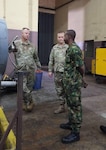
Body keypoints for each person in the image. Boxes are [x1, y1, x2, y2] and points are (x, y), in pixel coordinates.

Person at [60, 30, 84, 144]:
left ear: (68, 37)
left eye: (64, 35)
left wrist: (81, 79)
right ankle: (71, 123)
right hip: (69, 83)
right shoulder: (70, 48)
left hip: (73, 84)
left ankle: (76, 132)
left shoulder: (74, 49)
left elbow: (81, 67)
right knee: (70, 104)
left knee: (75, 106)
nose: (63, 37)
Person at [13, 27, 41, 112]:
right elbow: (9, 50)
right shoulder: (16, 44)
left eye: (28, 33)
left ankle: (26, 103)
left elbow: (36, 57)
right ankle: (31, 101)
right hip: (21, 70)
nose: (27, 35)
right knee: (23, 88)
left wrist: (38, 66)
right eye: (25, 33)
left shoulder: (32, 46)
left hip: (30, 69)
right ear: (22, 34)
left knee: (29, 87)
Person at [48, 31, 68, 114]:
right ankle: (61, 106)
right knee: (59, 89)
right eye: (59, 37)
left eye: (62, 37)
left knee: (67, 89)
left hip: (66, 72)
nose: (60, 38)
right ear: (57, 38)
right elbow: (51, 59)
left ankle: (71, 107)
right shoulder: (54, 48)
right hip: (57, 72)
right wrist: (50, 70)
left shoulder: (68, 47)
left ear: (64, 37)